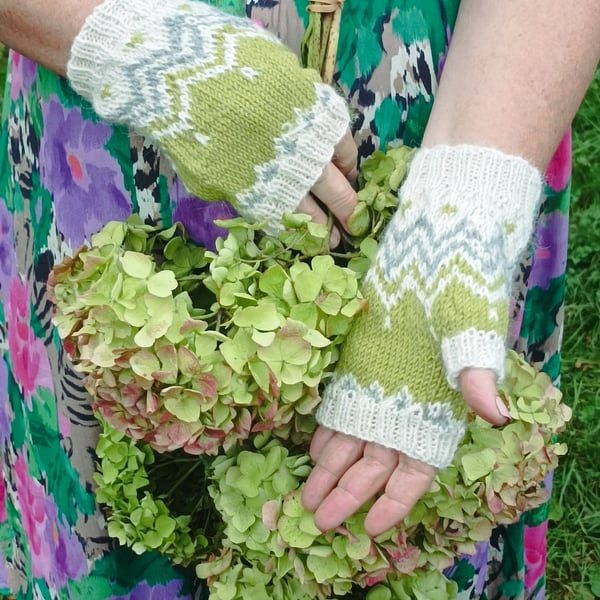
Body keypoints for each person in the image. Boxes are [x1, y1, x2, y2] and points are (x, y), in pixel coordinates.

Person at [0, 0, 598, 598]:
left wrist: (461, 212)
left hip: (472, 104)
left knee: (403, 526)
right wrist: (149, 56)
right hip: (111, 102)